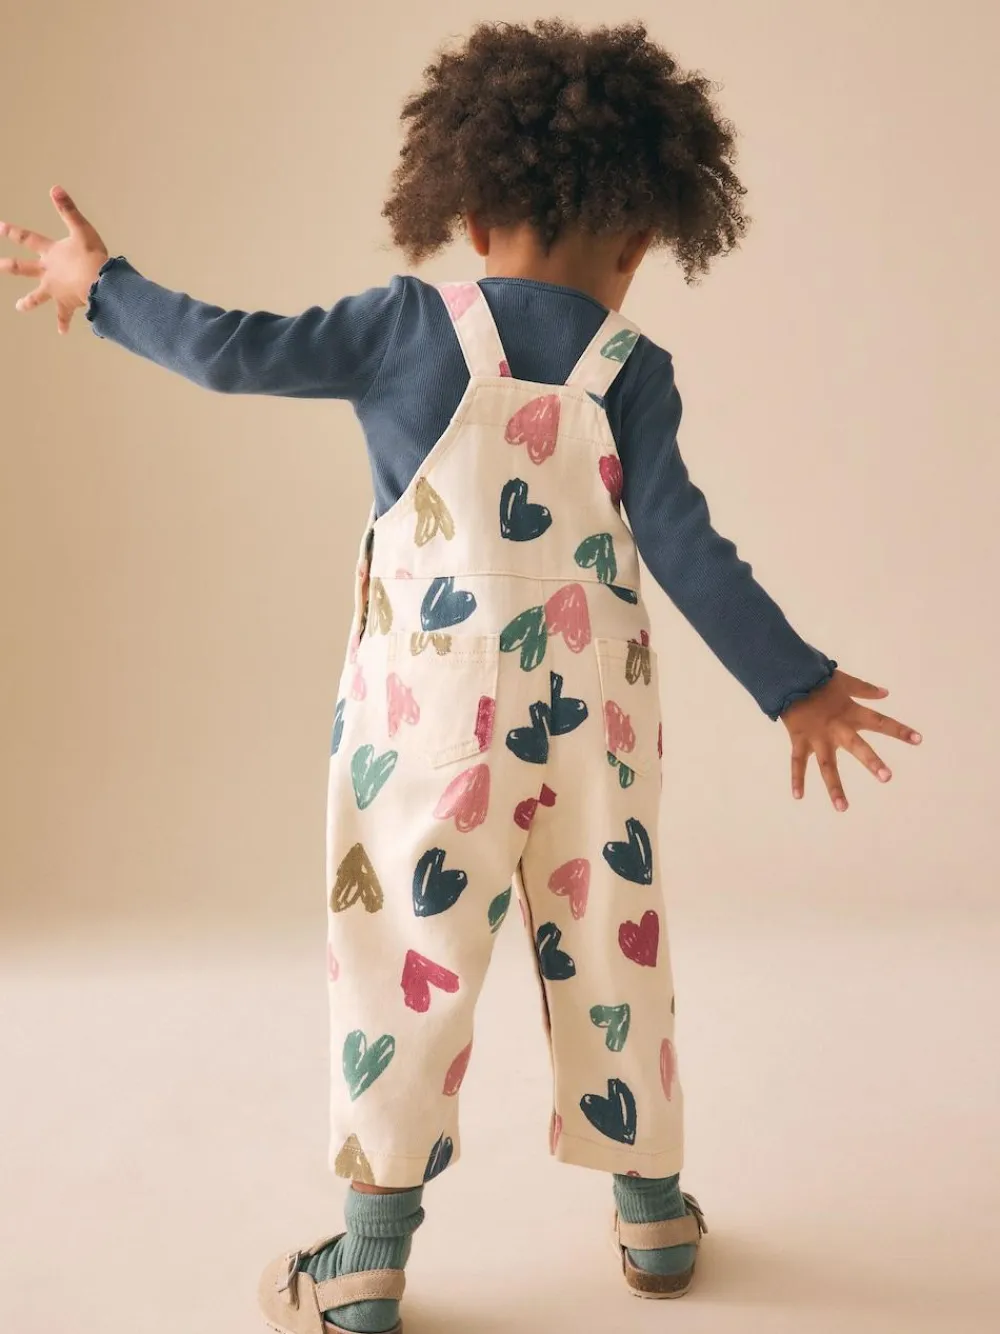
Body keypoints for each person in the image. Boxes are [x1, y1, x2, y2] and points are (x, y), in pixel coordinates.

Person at [1, 17, 922, 1334]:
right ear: (642, 241)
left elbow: (230, 350)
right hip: (594, 733)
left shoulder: (404, 329)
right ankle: (655, 1220)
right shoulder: (632, 370)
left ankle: (367, 1263)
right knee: (613, 944)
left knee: (400, 953)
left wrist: (102, 285)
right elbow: (690, 552)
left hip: (421, 726)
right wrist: (797, 685)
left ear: (469, 213)